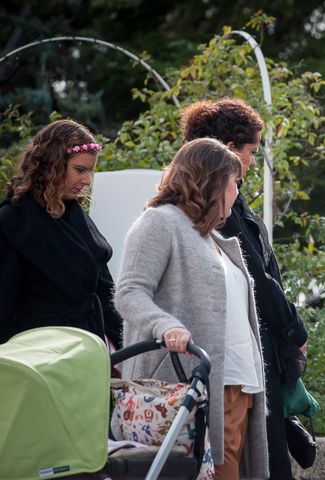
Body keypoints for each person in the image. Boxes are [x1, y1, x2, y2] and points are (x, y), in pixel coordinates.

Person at [114, 138, 269, 480]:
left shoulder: (212, 238)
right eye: (234, 184)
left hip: (238, 387)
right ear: (212, 181)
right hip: (190, 388)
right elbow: (129, 292)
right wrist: (164, 325)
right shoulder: (160, 222)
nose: (236, 194)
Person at [181, 99, 308, 480]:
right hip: (245, 348)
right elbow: (256, 275)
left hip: (249, 348)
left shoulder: (226, 200)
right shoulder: (219, 205)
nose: (253, 162)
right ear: (228, 149)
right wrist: (293, 329)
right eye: (251, 152)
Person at [0, 119, 122, 348]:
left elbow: (105, 293)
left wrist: (124, 345)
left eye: (90, 172)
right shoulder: (11, 223)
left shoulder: (77, 217)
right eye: (80, 170)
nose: (87, 180)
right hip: (36, 354)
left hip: (87, 348)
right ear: (52, 165)